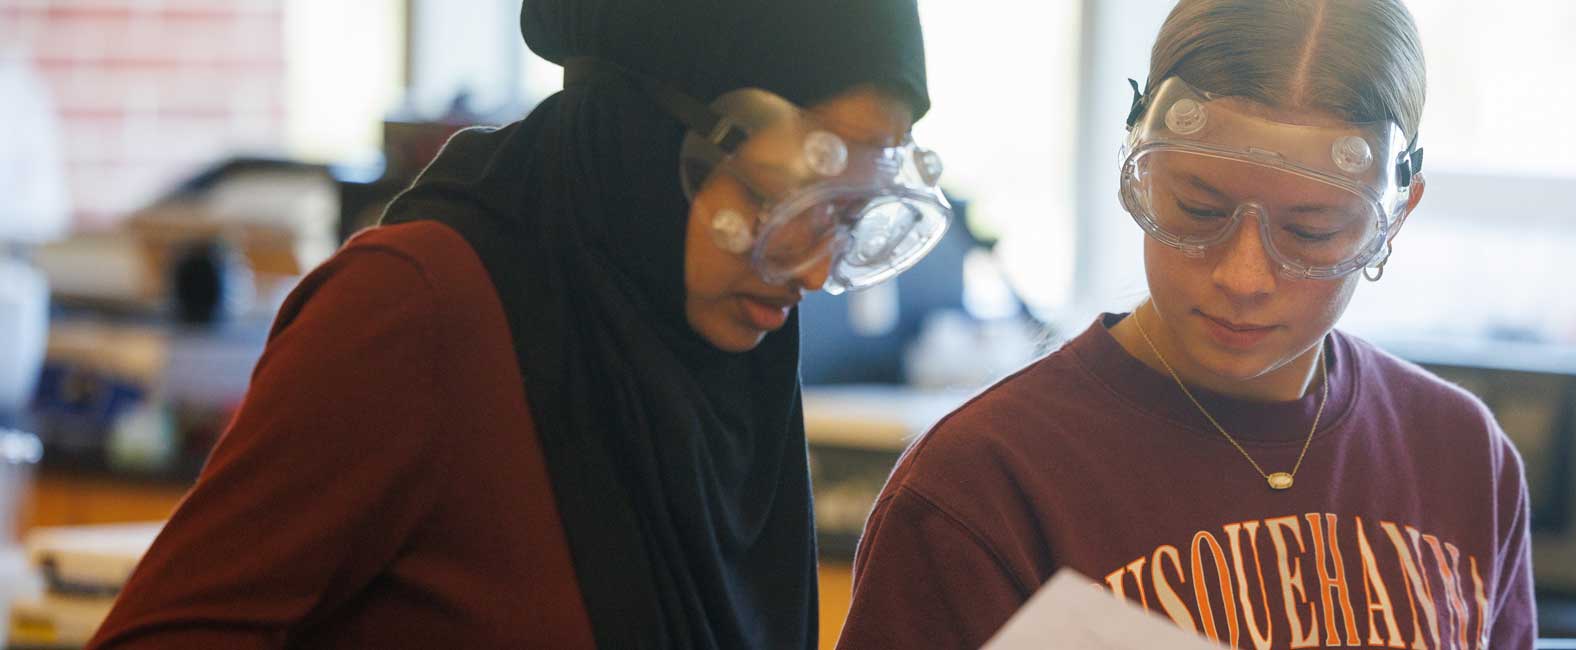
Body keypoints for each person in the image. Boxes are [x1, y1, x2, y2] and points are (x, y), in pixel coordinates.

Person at [88, 0, 945, 647]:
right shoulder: (419, 309)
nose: (813, 268)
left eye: (845, 219)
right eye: (776, 200)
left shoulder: (731, 364)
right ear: (648, 139)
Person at [836, 0, 1536, 648]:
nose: (1242, 277)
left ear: (1394, 217)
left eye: (1310, 231)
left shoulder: (1459, 457)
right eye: (1199, 211)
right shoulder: (984, 483)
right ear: (1135, 172)